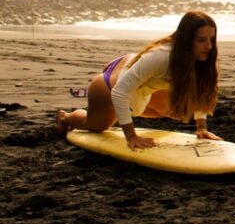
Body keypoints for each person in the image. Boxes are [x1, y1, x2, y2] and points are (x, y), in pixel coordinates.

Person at [56, 10, 222, 149]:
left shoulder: (203, 56)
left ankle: (119, 113)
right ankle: (65, 117)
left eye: (212, 39)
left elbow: (201, 91)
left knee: (174, 110)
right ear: (186, 39)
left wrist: (202, 128)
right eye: (201, 40)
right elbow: (119, 92)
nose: (208, 46)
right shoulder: (162, 57)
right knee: (97, 126)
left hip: (133, 73)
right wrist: (131, 136)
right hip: (107, 86)